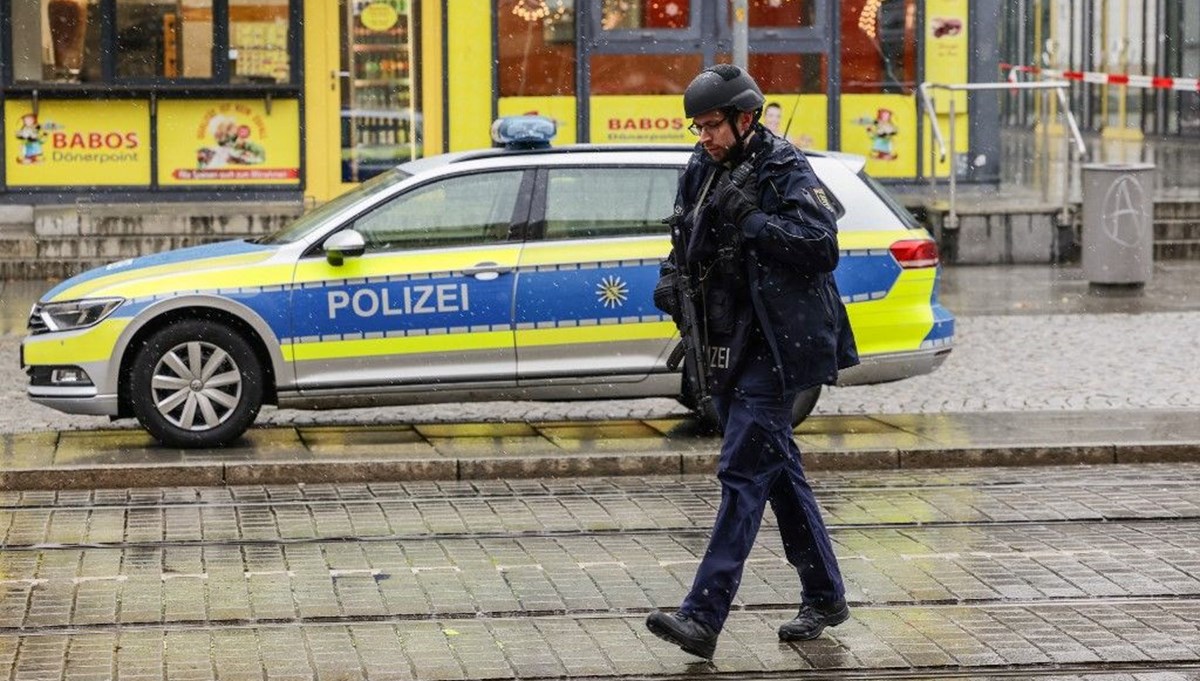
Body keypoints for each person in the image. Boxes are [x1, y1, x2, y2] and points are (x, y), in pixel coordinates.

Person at [644, 64, 859, 660]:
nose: (704, 136)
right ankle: (825, 594)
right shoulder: (701, 168)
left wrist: (755, 221)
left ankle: (702, 615)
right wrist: (670, 281)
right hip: (728, 340)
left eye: (712, 125)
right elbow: (681, 239)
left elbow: (821, 248)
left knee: (741, 472)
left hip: (779, 345)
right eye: (698, 126)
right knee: (778, 471)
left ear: (746, 119)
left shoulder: (783, 167)